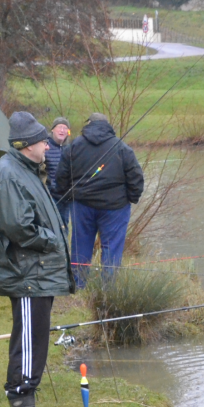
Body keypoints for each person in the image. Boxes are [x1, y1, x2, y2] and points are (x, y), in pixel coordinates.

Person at [0, 111, 75, 407]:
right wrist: (52, 239)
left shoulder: (24, 169)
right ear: (27, 145)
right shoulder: (10, 173)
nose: (48, 147)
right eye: (43, 142)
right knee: (28, 340)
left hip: (36, 273)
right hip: (26, 275)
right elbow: (19, 227)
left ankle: (29, 403)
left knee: (36, 337)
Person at [55, 112, 144, 287]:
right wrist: (131, 198)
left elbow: (61, 177)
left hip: (82, 205)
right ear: (107, 126)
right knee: (111, 250)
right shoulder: (121, 148)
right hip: (115, 208)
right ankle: (108, 289)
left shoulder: (74, 146)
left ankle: (78, 285)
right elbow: (136, 177)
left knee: (80, 246)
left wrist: (67, 196)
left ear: (88, 125)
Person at [45, 116, 71, 228]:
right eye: (59, 127)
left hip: (66, 198)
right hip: (49, 196)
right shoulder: (44, 146)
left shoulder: (70, 149)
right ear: (52, 130)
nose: (62, 130)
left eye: (65, 128)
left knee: (63, 227)